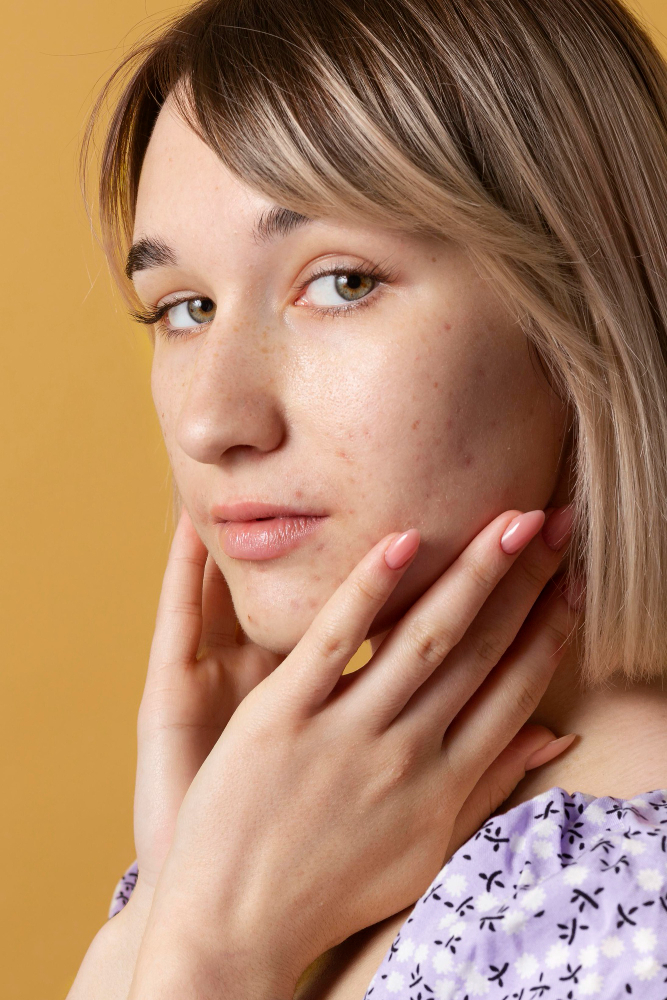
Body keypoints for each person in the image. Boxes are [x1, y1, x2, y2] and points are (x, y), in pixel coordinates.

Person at [69, 0, 667, 997]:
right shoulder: (290, 847)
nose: (213, 419)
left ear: (584, 311)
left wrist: (203, 954)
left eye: (340, 282)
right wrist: (184, 883)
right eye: (185, 307)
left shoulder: (627, 924)